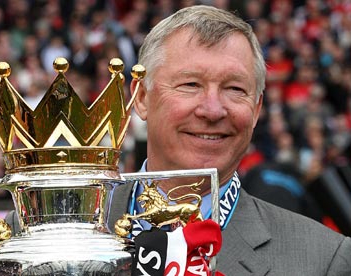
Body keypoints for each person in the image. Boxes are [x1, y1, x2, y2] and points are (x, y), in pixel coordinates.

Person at [110, 5, 351, 275]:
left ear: (257, 109)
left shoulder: (324, 259)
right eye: (190, 84)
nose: (212, 110)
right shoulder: (65, 227)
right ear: (141, 98)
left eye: (235, 89)